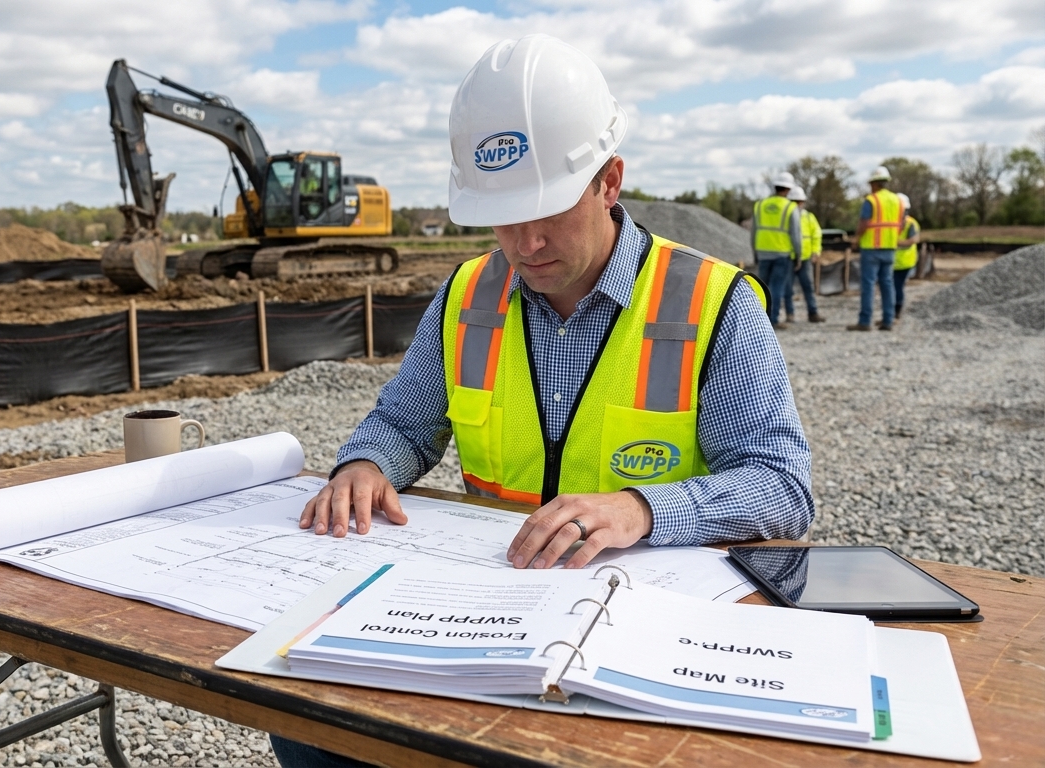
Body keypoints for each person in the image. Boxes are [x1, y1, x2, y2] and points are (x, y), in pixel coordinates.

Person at [274, 34, 814, 768]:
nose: (525, 243)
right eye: (502, 216)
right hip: (486, 612)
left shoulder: (714, 303)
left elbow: (781, 487)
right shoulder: (468, 294)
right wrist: (367, 463)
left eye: (549, 210)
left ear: (610, 180)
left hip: (640, 627)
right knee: (306, 723)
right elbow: (404, 422)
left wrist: (642, 509)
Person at [848, 166, 904, 331]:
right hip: (890, 248)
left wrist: (856, 239)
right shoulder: (897, 200)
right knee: (887, 285)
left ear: (873, 183)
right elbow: (901, 224)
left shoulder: (872, 200)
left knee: (868, 285)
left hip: (872, 248)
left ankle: (865, 322)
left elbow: (864, 223)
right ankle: (888, 320)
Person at [751, 172, 803, 329]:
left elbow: (753, 231)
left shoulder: (760, 205)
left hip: (763, 252)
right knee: (776, 288)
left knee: (761, 287)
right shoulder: (790, 207)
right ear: (788, 189)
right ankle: (772, 321)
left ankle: (758, 320)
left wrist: (755, 253)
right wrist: (798, 255)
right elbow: (796, 234)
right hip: (782, 254)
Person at [783, 186, 826, 323]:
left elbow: (816, 234)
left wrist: (816, 251)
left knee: (808, 287)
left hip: (805, 258)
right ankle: (790, 314)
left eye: (799, 202)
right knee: (787, 288)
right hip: (789, 258)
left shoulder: (809, 217)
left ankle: (813, 313)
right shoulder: (786, 216)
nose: (797, 205)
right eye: (794, 202)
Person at [893, 192, 920, 320]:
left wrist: (894, 243)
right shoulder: (893, 222)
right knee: (892, 287)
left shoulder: (911, 224)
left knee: (897, 287)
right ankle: (892, 312)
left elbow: (913, 240)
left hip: (904, 262)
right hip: (892, 262)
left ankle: (897, 311)